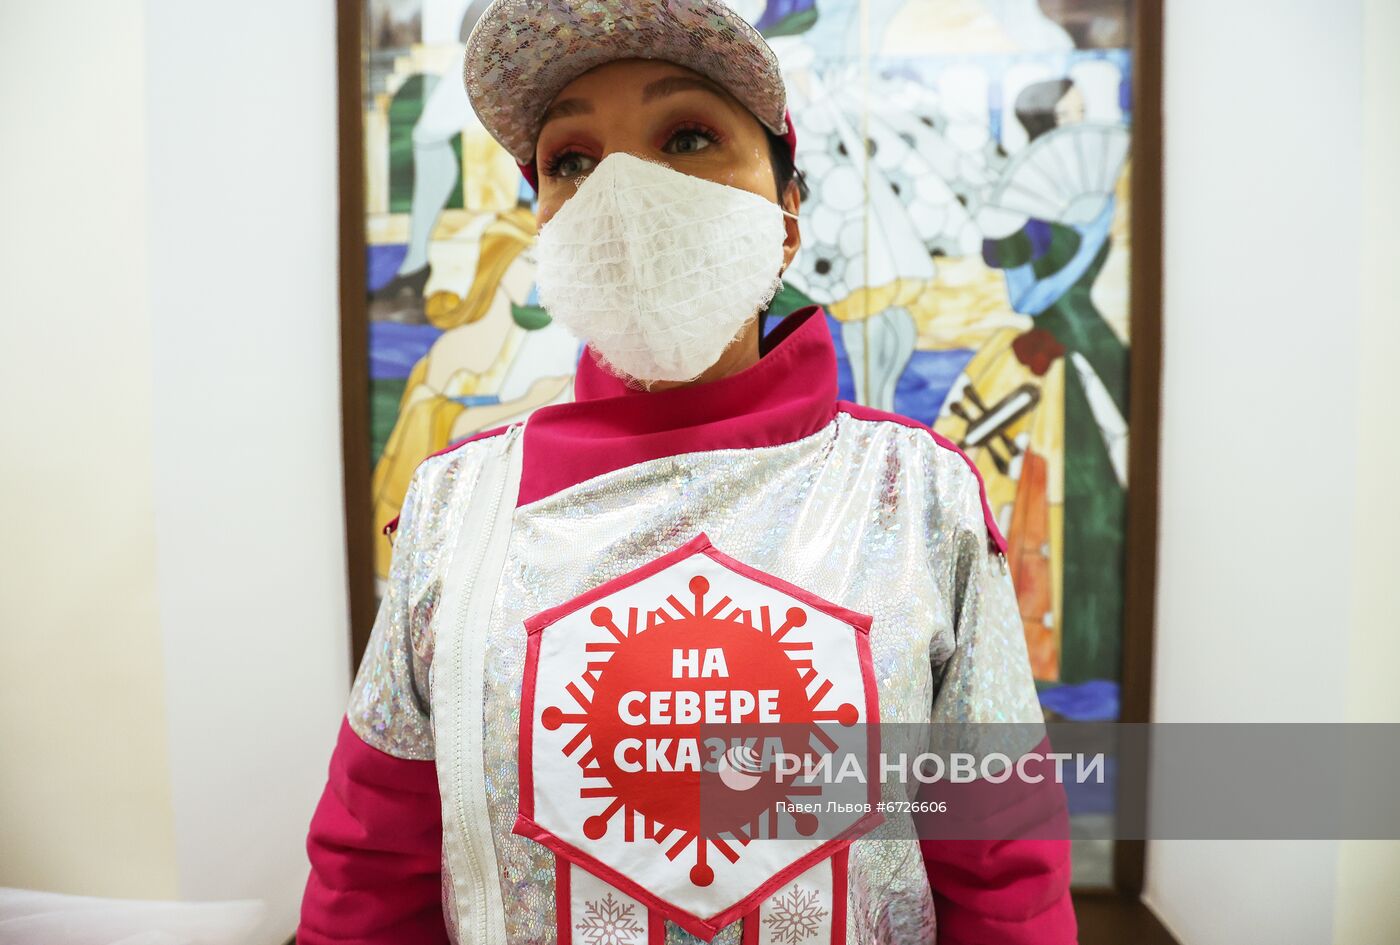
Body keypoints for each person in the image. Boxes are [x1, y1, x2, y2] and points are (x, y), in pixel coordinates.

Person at [298, 2, 1075, 943]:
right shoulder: (456, 507)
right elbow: (371, 872)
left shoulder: (918, 496)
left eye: (689, 137)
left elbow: (1003, 871)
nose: (623, 190)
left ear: (787, 218)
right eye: (571, 160)